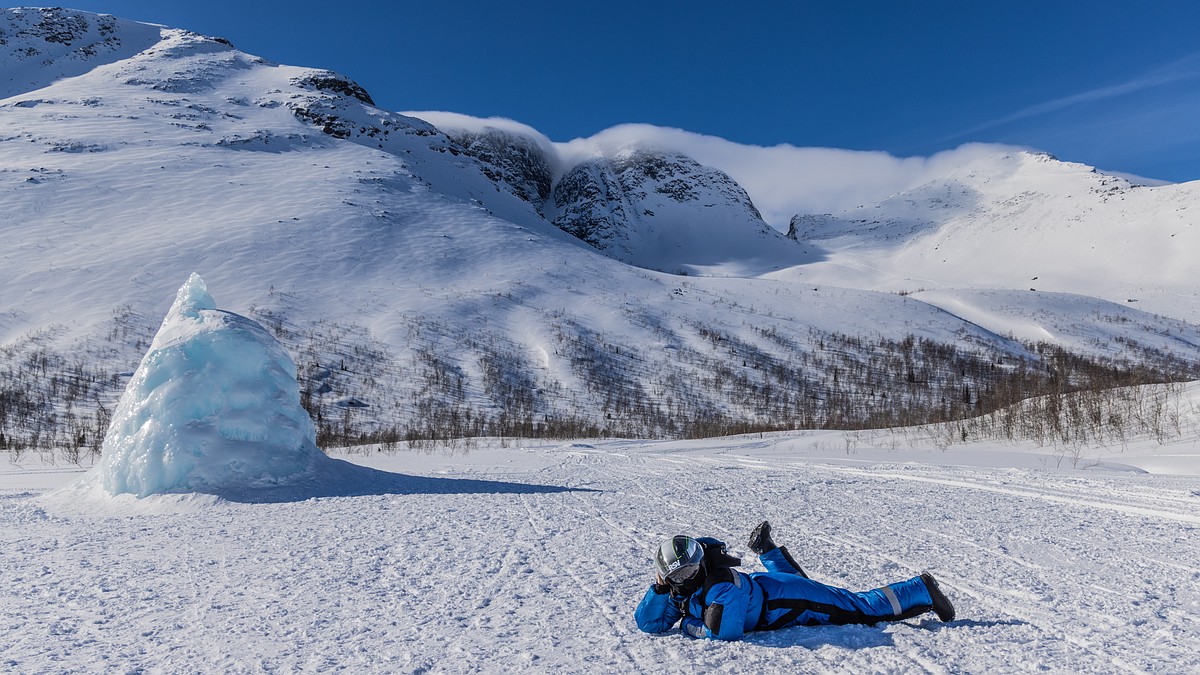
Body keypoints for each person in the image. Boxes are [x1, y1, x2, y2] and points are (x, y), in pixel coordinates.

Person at [635, 521, 955, 641]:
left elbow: (723, 632)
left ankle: (920, 588)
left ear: (700, 564)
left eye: (690, 570)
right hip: (767, 588)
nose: (685, 579)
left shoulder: (720, 588)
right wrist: (660, 592)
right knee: (794, 583)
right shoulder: (679, 587)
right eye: (677, 576)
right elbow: (649, 624)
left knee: (858, 607)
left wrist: (688, 623)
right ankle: (768, 551)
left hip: (783, 600)